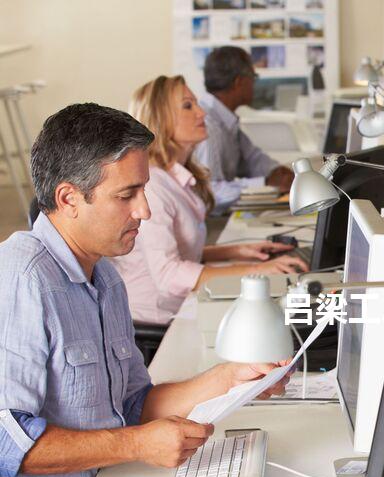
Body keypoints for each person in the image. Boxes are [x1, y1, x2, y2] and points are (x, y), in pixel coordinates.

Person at [0, 103, 289, 477]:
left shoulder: (105, 276)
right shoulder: (21, 278)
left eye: (143, 191)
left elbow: (134, 405)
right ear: (68, 198)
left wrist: (229, 378)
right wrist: (136, 444)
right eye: (126, 196)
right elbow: (5, 441)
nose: (144, 211)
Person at [112, 75, 307, 325]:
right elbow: (169, 274)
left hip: (183, 305)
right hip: (160, 321)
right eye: (188, 106)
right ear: (161, 119)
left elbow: (177, 249)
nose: (201, 112)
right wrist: (256, 271)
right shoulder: (153, 187)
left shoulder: (177, 176)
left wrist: (237, 251)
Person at [194, 46, 295, 211]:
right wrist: (266, 182)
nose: (254, 84)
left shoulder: (225, 119)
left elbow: (251, 158)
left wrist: (277, 171)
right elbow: (211, 191)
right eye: (253, 77)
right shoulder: (209, 126)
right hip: (211, 219)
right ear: (238, 82)